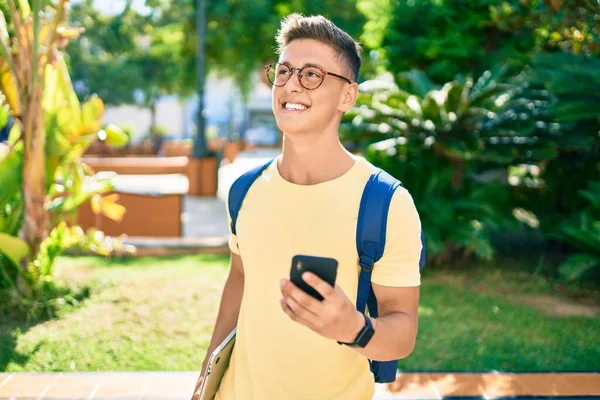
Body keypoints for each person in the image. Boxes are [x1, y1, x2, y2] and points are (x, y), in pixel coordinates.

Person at [192, 13, 422, 400]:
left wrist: (353, 328)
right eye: (284, 71)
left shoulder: (385, 202)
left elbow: (403, 332)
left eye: (312, 75)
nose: (291, 85)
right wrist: (206, 375)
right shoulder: (245, 189)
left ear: (348, 95)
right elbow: (240, 279)